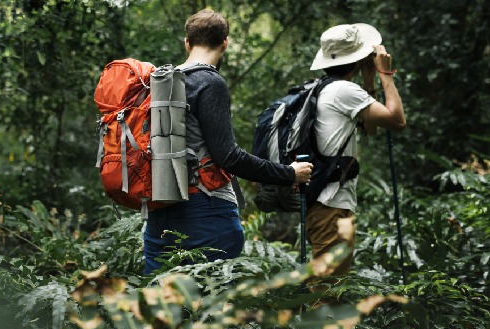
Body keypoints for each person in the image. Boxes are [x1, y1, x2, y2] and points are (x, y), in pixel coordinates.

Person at [143, 9, 313, 274]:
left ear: (187, 43)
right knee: (211, 304)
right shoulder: (210, 82)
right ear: (225, 42)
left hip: (158, 209)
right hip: (207, 211)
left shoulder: (161, 82)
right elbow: (229, 156)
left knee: (162, 304)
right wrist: (289, 174)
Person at [306, 23, 406, 277]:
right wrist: (385, 74)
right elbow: (397, 120)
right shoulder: (343, 90)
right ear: (357, 59)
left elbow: (370, 129)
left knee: (332, 289)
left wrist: (369, 80)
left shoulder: (326, 88)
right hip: (331, 206)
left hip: (329, 205)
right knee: (326, 293)